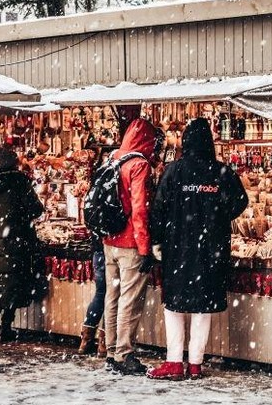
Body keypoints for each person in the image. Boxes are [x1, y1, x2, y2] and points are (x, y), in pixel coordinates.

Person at [147, 118, 248, 380]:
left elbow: (157, 209)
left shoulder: (174, 171)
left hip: (177, 248)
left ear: (186, 142)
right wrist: (218, 214)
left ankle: (173, 361)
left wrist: (157, 241)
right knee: (203, 308)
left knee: (174, 306)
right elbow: (240, 201)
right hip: (210, 250)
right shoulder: (222, 172)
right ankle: (195, 362)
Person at [103, 118, 158, 375]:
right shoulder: (139, 165)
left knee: (112, 296)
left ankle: (111, 350)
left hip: (109, 240)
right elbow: (140, 210)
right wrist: (145, 248)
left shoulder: (113, 159)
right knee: (129, 300)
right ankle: (124, 353)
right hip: (130, 243)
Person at [0, 146, 46, 343]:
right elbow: (36, 209)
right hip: (15, 240)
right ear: (13, 162)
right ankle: (6, 326)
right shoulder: (20, 182)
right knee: (12, 285)